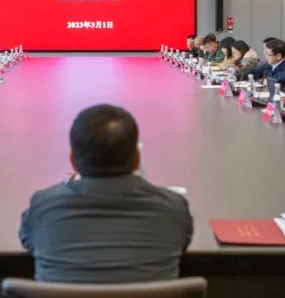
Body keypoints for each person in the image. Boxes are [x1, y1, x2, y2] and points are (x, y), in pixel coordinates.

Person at [19, 104, 193, 283]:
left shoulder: (42, 208)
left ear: (73, 161)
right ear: (137, 159)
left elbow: (30, 242)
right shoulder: (174, 209)